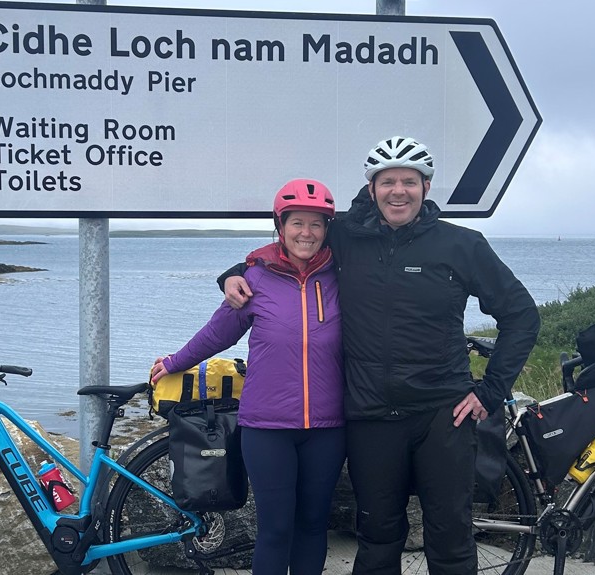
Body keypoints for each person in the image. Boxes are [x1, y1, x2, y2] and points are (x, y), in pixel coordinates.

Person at [221, 136, 540, 574]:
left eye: (409, 181)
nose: (398, 191)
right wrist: (237, 271)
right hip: (371, 416)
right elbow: (294, 243)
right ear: (371, 189)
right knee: (377, 536)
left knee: (449, 535)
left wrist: (491, 389)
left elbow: (521, 315)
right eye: (387, 181)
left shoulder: (462, 245)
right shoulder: (348, 235)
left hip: (442, 414)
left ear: (426, 187)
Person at [151, 178, 346, 575]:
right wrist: (174, 362)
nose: (306, 233)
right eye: (297, 223)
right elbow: (217, 334)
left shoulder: (343, 278)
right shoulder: (253, 280)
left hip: (328, 427)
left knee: (312, 525)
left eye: (316, 224)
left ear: (327, 229)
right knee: (275, 529)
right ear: (280, 225)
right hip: (266, 426)